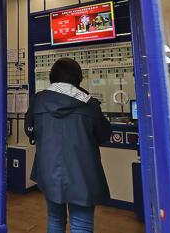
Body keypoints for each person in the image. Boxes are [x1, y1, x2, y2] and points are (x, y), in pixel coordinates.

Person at [25, 57, 111, 233]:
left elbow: (29, 130)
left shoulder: (39, 100)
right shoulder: (89, 104)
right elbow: (103, 134)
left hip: (49, 171)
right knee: (81, 224)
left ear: (52, 76)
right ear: (78, 78)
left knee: (55, 219)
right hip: (83, 174)